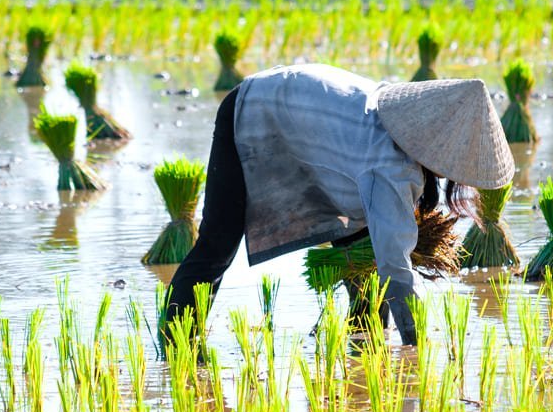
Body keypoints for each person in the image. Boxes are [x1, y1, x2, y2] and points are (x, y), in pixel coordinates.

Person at [164, 63, 514, 345]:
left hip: (298, 115)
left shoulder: (393, 118)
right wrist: (417, 344)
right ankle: (175, 344)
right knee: (217, 244)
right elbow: (397, 267)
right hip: (253, 109)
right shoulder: (389, 166)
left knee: (362, 254)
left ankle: (364, 339)